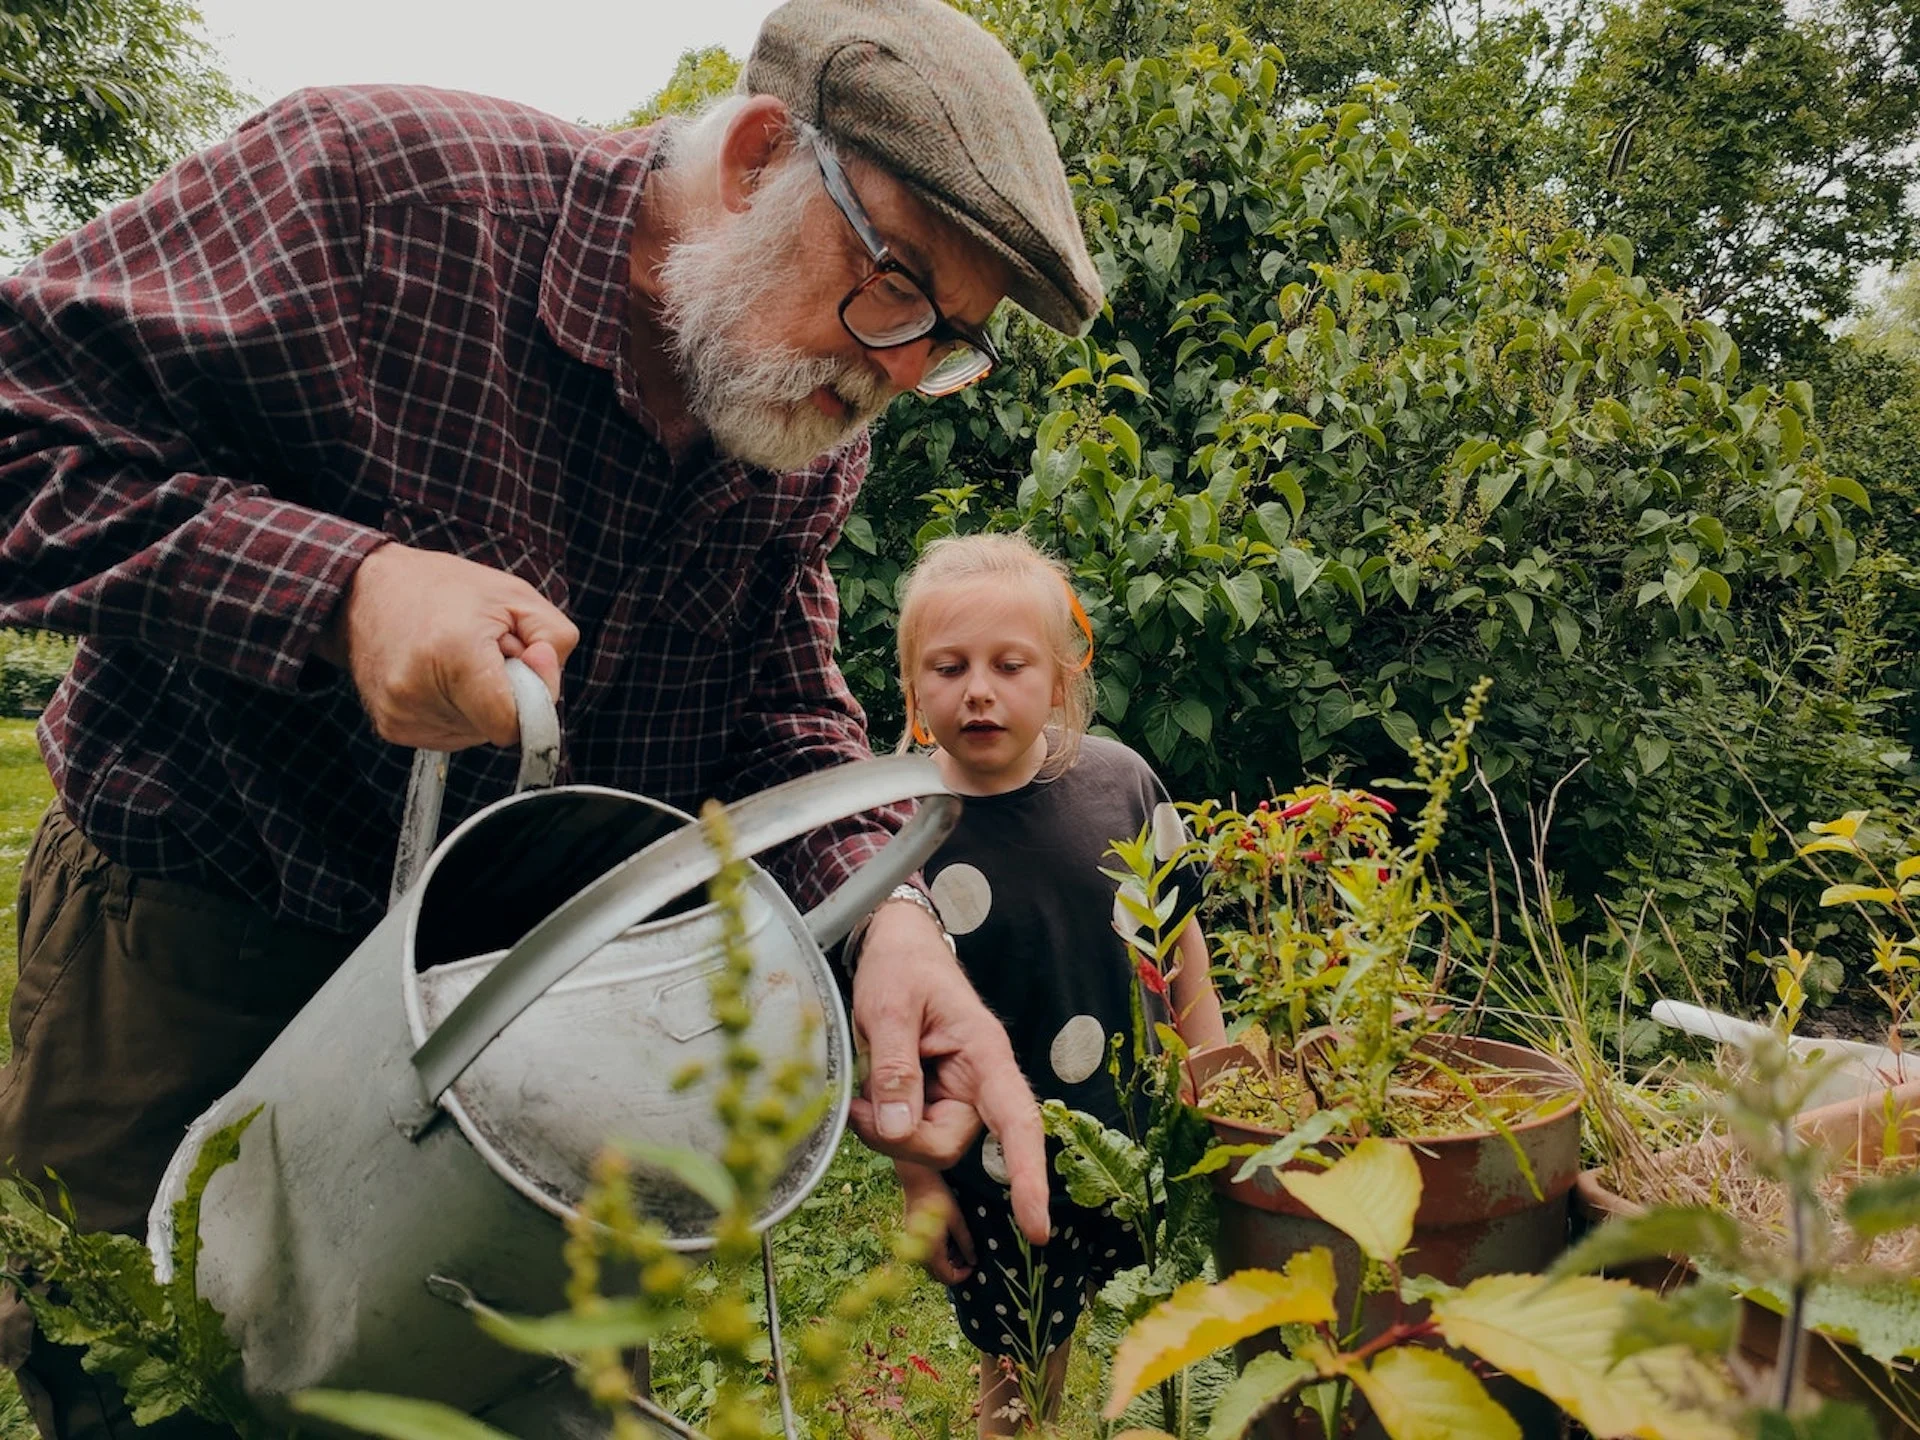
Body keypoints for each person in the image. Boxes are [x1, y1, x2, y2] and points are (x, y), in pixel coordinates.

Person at [0, 0, 1107, 1432]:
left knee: (525, 1400)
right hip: (198, 943)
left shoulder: (794, 408)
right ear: (765, 157)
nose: (897, 371)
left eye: (947, 341)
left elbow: (774, 704)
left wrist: (882, 920)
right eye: (896, 288)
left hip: (529, 1007)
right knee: (155, 1390)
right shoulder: (378, 195)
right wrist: (342, 592)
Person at [884, 534, 1225, 1437]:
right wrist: (920, 1180)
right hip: (991, 1161)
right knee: (1023, 1353)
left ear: (1063, 680)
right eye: (949, 668)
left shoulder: (1119, 784)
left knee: (1151, 1310)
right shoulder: (900, 827)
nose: (980, 690)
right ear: (914, 690)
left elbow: (1177, 934)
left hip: (1130, 1128)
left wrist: (1215, 1059)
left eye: (1010, 664)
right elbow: (889, 1032)